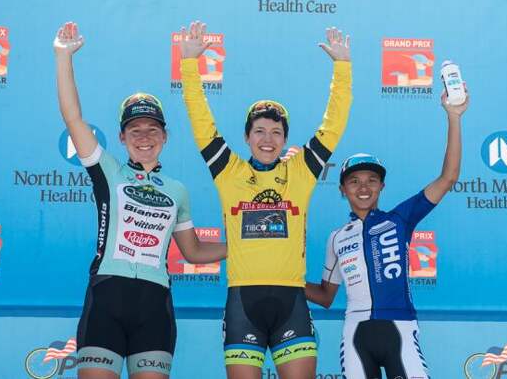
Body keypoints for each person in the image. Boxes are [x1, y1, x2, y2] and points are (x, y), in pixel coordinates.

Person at [178, 21, 352, 379]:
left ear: (286, 137)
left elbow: (332, 125)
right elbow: (201, 122)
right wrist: (189, 66)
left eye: (276, 132)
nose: (268, 139)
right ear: (247, 137)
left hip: (291, 301)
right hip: (243, 302)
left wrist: (342, 68)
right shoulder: (229, 172)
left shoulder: (301, 171)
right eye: (260, 131)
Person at [54, 22, 226, 379]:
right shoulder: (108, 171)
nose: (144, 137)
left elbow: (193, 252)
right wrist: (63, 56)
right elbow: (73, 118)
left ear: (165, 135)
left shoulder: (176, 189)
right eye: (135, 130)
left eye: (152, 129)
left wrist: (247, 243)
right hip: (106, 297)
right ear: (121, 137)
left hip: (155, 303)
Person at [305, 89, 469, 379]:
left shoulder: (400, 219)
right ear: (342, 190)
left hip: (401, 329)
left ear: (382, 186)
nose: (363, 187)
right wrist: (281, 280)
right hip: (356, 334)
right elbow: (325, 296)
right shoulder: (336, 238)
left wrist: (453, 117)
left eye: (372, 180)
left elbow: (448, 178)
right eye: (354, 181)